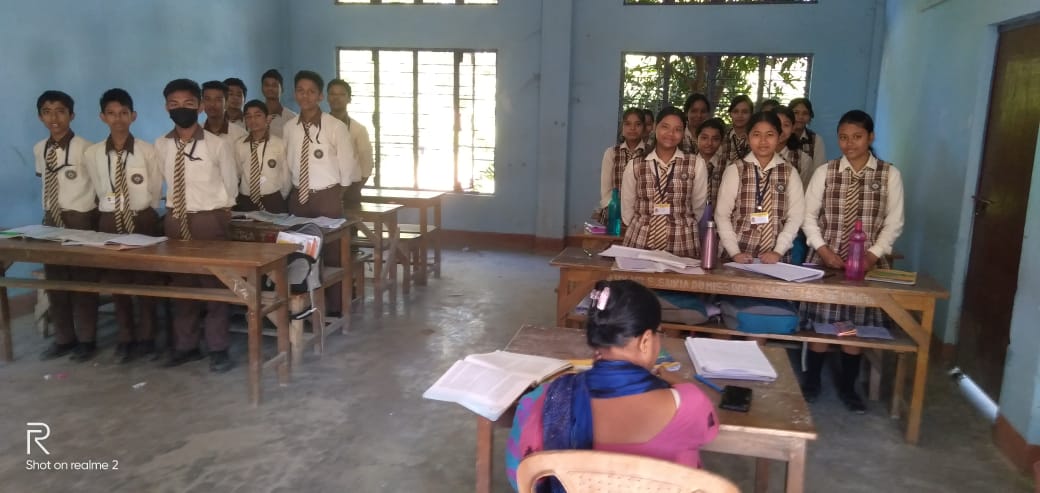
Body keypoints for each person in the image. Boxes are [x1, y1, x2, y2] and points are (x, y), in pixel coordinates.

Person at [505, 279, 719, 491]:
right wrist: (678, 382)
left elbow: (522, 477)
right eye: (658, 332)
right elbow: (709, 431)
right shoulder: (690, 405)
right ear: (645, 341)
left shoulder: (545, 398)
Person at [800, 110, 905, 413]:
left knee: (853, 330)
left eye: (857, 137)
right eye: (843, 137)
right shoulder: (826, 172)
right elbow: (809, 217)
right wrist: (823, 251)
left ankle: (848, 387)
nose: (850, 143)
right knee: (822, 326)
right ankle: (812, 381)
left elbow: (894, 222)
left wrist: (872, 255)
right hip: (826, 261)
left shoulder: (889, 174)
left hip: (868, 265)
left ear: (871, 137)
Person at [155, 78, 239, 373]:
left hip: (208, 219)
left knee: (214, 285)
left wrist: (218, 214)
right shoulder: (161, 145)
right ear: (166, 108)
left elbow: (231, 184)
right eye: (174, 104)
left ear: (200, 107)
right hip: (176, 219)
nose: (181, 109)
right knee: (182, 285)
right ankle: (186, 345)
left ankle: (218, 347)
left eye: (188, 103)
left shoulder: (217, 144)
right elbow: (161, 180)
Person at [83, 88, 162, 363]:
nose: (118, 119)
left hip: (142, 218)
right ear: (103, 117)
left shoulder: (147, 151)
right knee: (118, 282)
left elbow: (155, 188)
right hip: (109, 221)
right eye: (112, 114)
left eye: (123, 113)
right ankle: (126, 337)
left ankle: (148, 337)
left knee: (145, 281)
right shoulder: (93, 153)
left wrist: (142, 211)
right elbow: (97, 186)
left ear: (133, 116)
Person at [284, 70, 360, 315]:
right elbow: (288, 163)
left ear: (320, 96)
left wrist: (337, 193)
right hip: (299, 197)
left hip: (328, 196)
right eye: (300, 91)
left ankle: (335, 307)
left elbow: (348, 166)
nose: (305, 96)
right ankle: (305, 308)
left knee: (332, 253)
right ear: (295, 94)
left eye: (311, 92)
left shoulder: (335, 127)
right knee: (300, 253)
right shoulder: (289, 128)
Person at [34, 90, 100, 362]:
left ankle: (87, 340)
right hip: (51, 219)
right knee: (57, 282)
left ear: (71, 115)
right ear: (40, 117)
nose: (54, 118)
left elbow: (98, 186)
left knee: (83, 282)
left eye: (60, 111)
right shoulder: (40, 148)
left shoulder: (87, 148)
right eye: (47, 112)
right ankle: (64, 339)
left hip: (80, 219)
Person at [714, 111, 805, 264]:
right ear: (748, 137)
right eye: (756, 134)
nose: (763, 141)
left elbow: (796, 216)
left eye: (770, 134)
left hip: (777, 259)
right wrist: (735, 253)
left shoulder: (790, 172)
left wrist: (778, 251)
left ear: (779, 137)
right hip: (736, 257)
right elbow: (722, 215)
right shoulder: (735, 170)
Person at [621, 107, 708, 258]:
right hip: (640, 241)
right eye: (665, 127)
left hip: (682, 242)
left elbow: (698, 207)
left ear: (683, 132)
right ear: (655, 126)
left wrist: (681, 225)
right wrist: (645, 226)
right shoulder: (635, 165)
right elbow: (627, 208)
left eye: (677, 129)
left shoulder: (696, 164)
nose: (670, 134)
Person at [233, 99, 290, 213]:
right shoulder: (239, 145)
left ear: (267, 118)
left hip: (273, 200)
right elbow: (237, 172)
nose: (253, 120)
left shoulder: (279, 144)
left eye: (258, 115)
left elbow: (286, 176)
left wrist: (280, 196)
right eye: (248, 116)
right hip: (246, 200)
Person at [327, 78, 373, 211]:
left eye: (341, 94)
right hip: (324, 188)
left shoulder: (358, 129)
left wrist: (355, 187)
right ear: (327, 98)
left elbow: (367, 163)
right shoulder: (319, 125)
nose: (336, 98)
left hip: (351, 190)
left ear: (349, 99)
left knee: (351, 223)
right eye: (332, 94)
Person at [598, 107, 645, 222]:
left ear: (643, 128)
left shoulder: (650, 153)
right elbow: (606, 191)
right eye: (628, 124)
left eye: (638, 124)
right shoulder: (612, 153)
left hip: (642, 215)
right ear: (622, 127)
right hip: (614, 213)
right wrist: (614, 210)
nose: (632, 128)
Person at [772, 106, 814, 188]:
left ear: (793, 128)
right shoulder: (755, 155)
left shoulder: (803, 160)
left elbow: (804, 190)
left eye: (786, 125)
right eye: (777, 124)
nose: (781, 130)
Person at [201, 80, 248, 145]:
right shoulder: (195, 133)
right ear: (202, 102)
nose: (212, 104)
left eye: (218, 99)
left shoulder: (241, 135)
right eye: (207, 99)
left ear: (226, 103)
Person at [695, 118, 726, 208]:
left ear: (721, 141)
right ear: (696, 138)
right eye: (704, 138)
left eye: (715, 139)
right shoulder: (687, 164)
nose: (709, 143)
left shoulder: (728, 166)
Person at [789, 97, 827, 169]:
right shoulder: (782, 137)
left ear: (810, 117)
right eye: (796, 113)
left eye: (805, 113)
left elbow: (819, 169)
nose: (800, 117)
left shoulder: (816, 140)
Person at [261, 68, 297, 137]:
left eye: (274, 85)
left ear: (282, 89)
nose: (270, 88)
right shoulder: (254, 117)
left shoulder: (292, 118)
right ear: (262, 88)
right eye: (267, 85)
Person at [720, 95, 754, 165]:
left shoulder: (756, 138)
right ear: (730, 114)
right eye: (735, 111)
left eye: (745, 112)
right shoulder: (722, 137)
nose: (740, 115)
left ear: (751, 114)